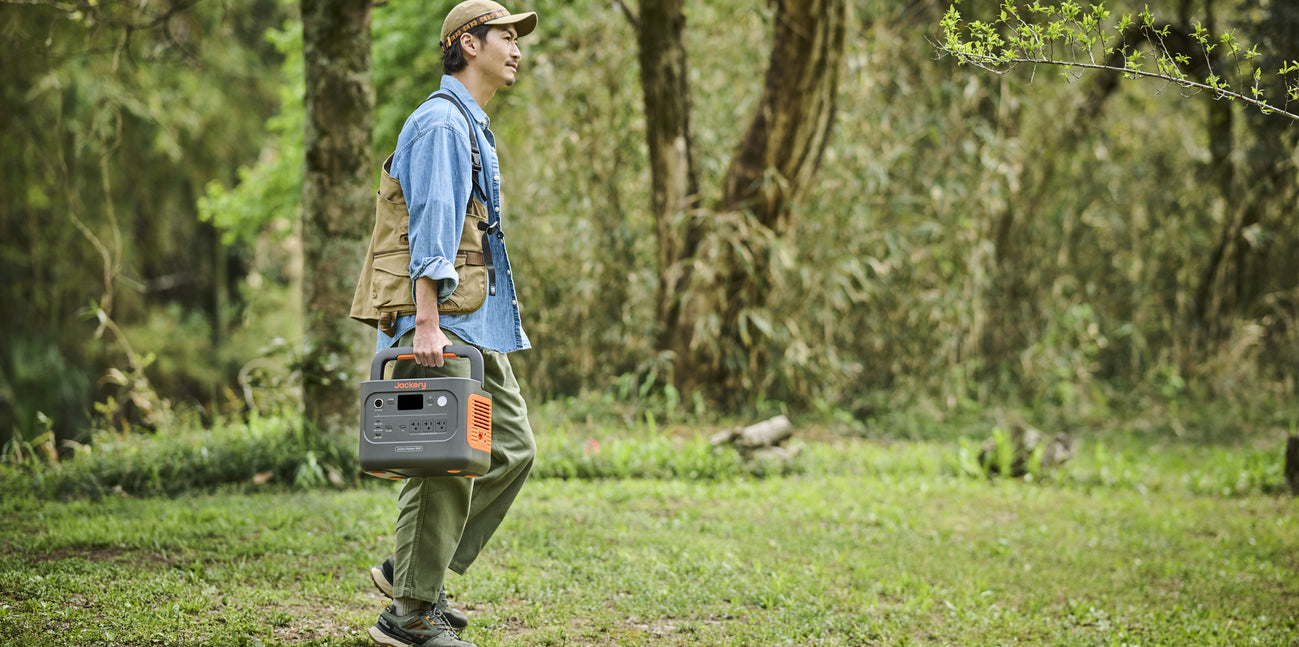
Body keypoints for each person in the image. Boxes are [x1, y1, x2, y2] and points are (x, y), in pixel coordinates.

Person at [366, 2, 538, 646]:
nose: (517, 47)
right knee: (442, 460)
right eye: (506, 35)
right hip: (444, 321)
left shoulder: (470, 123)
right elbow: (430, 228)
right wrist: (428, 322)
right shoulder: (442, 123)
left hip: (474, 319)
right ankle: (409, 613)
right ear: (469, 43)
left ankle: (414, 572)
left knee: (510, 447)